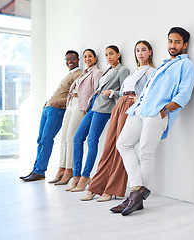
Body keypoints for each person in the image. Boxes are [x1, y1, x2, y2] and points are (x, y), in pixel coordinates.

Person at [113, 27, 194, 215]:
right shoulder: (163, 64)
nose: (172, 45)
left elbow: (184, 95)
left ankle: (134, 198)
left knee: (145, 153)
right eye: (170, 41)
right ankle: (137, 192)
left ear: (185, 44)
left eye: (177, 42)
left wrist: (164, 111)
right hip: (139, 110)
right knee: (123, 144)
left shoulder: (187, 66)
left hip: (157, 113)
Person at [80, 40, 155, 202]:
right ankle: (97, 186)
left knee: (121, 148)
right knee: (108, 146)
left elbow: (151, 92)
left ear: (150, 52)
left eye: (143, 50)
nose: (140, 53)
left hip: (132, 106)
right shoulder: (135, 71)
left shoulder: (151, 71)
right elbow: (121, 91)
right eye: (137, 50)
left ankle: (112, 189)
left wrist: (138, 100)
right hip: (120, 104)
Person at [66, 45, 130, 192]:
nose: (109, 57)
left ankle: (85, 177)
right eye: (107, 55)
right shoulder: (107, 71)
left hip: (104, 108)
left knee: (91, 140)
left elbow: (125, 92)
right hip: (93, 106)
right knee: (77, 138)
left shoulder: (123, 70)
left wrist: (112, 92)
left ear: (118, 55)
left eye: (111, 54)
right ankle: (77, 175)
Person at [20, 50, 82, 181]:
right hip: (48, 108)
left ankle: (40, 171)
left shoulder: (79, 74)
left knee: (47, 139)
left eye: (72, 59)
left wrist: (58, 103)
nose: (69, 61)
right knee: (40, 139)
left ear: (78, 59)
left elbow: (76, 95)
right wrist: (48, 103)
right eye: (67, 59)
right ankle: (36, 170)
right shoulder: (69, 74)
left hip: (57, 110)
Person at [48, 49, 102, 185]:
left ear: (95, 58)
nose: (87, 59)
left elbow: (96, 92)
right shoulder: (84, 73)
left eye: (90, 56)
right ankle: (62, 168)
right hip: (71, 103)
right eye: (85, 56)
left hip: (80, 104)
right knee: (64, 137)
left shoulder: (96, 72)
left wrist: (87, 107)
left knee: (72, 137)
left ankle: (69, 170)